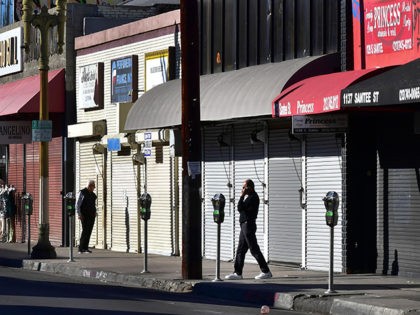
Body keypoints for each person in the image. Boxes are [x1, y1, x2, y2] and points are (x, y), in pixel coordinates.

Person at [225, 179, 272, 280]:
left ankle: (266, 271)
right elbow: (241, 209)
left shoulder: (253, 197)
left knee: (254, 249)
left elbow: (239, 207)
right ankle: (237, 273)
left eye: (244, 187)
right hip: (244, 226)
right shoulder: (249, 197)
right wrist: (243, 196)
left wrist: (242, 196)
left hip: (248, 225)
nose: (242, 189)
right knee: (240, 250)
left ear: (249, 187)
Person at [76, 180, 97, 254]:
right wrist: (79, 214)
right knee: (85, 231)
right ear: (89, 186)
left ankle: (85, 248)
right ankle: (81, 248)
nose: (94, 188)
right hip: (84, 215)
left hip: (91, 215)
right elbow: (78, 204)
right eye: (93, 186)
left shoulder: (93, 195)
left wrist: (95, 212)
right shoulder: (82, 193)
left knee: (89, 231)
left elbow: (93, 205)